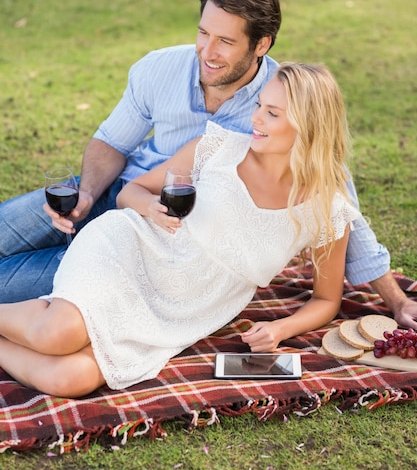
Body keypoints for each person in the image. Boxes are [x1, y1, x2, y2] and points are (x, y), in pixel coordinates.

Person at [0, 0, 415, 328]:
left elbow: (339, 208)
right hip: (119, 191)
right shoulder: (158, 68)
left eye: (225, 42)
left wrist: (395, 301)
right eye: (203, 32)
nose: (207, 51)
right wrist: (88, 193)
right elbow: (111, 141)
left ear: (261, 45)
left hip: (160, 242)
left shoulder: (282, 105)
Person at [0, 62, 361, 397]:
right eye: (259, 106)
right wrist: (152, 211)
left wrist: (281, 330)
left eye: (271, 113)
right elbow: (131, 192)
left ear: (309, 125)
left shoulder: (326, 209)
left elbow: (327, 300)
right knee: (57, 333)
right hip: (132, 251)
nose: (256, 119)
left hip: (182, 313)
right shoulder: (217, 148)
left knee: (69, 379)